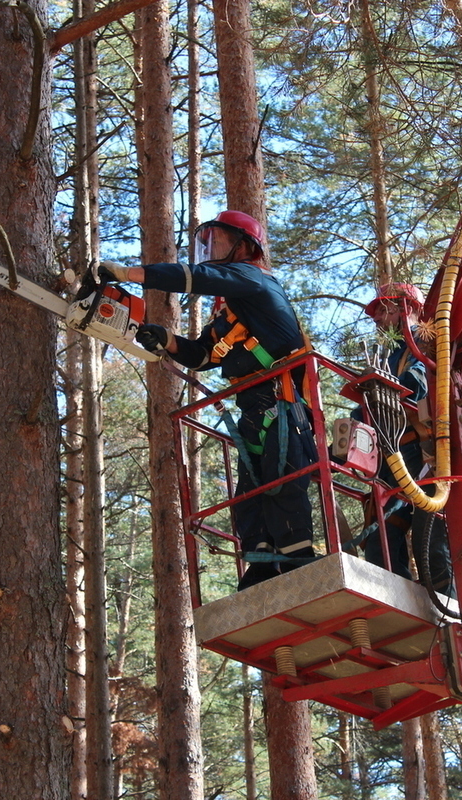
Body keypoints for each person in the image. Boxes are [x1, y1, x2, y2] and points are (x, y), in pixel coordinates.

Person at [102, 210, 316, 590]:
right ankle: (262, 565)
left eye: (216, 239)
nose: (208, 247)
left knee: (282, 482)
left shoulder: (252, 278)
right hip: (253, 408)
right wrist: (165, 339)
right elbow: (203, 355)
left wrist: (126, 274)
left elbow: (193, 278)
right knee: (249, 495)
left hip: (283, 405)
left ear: (244, 245)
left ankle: (299, 562)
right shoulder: (231, 308)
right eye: (206, 240)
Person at [359, 283, 453, 595]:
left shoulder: (423, 341)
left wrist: (382, 390)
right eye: (377, 314)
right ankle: (393, 597)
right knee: (380, 542)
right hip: (391, 454)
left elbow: (418, 383)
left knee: (432, 546)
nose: (379, 320)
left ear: (407, 308)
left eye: (385, 310)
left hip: (422, 454)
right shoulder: (388, 354)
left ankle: (447, 609)